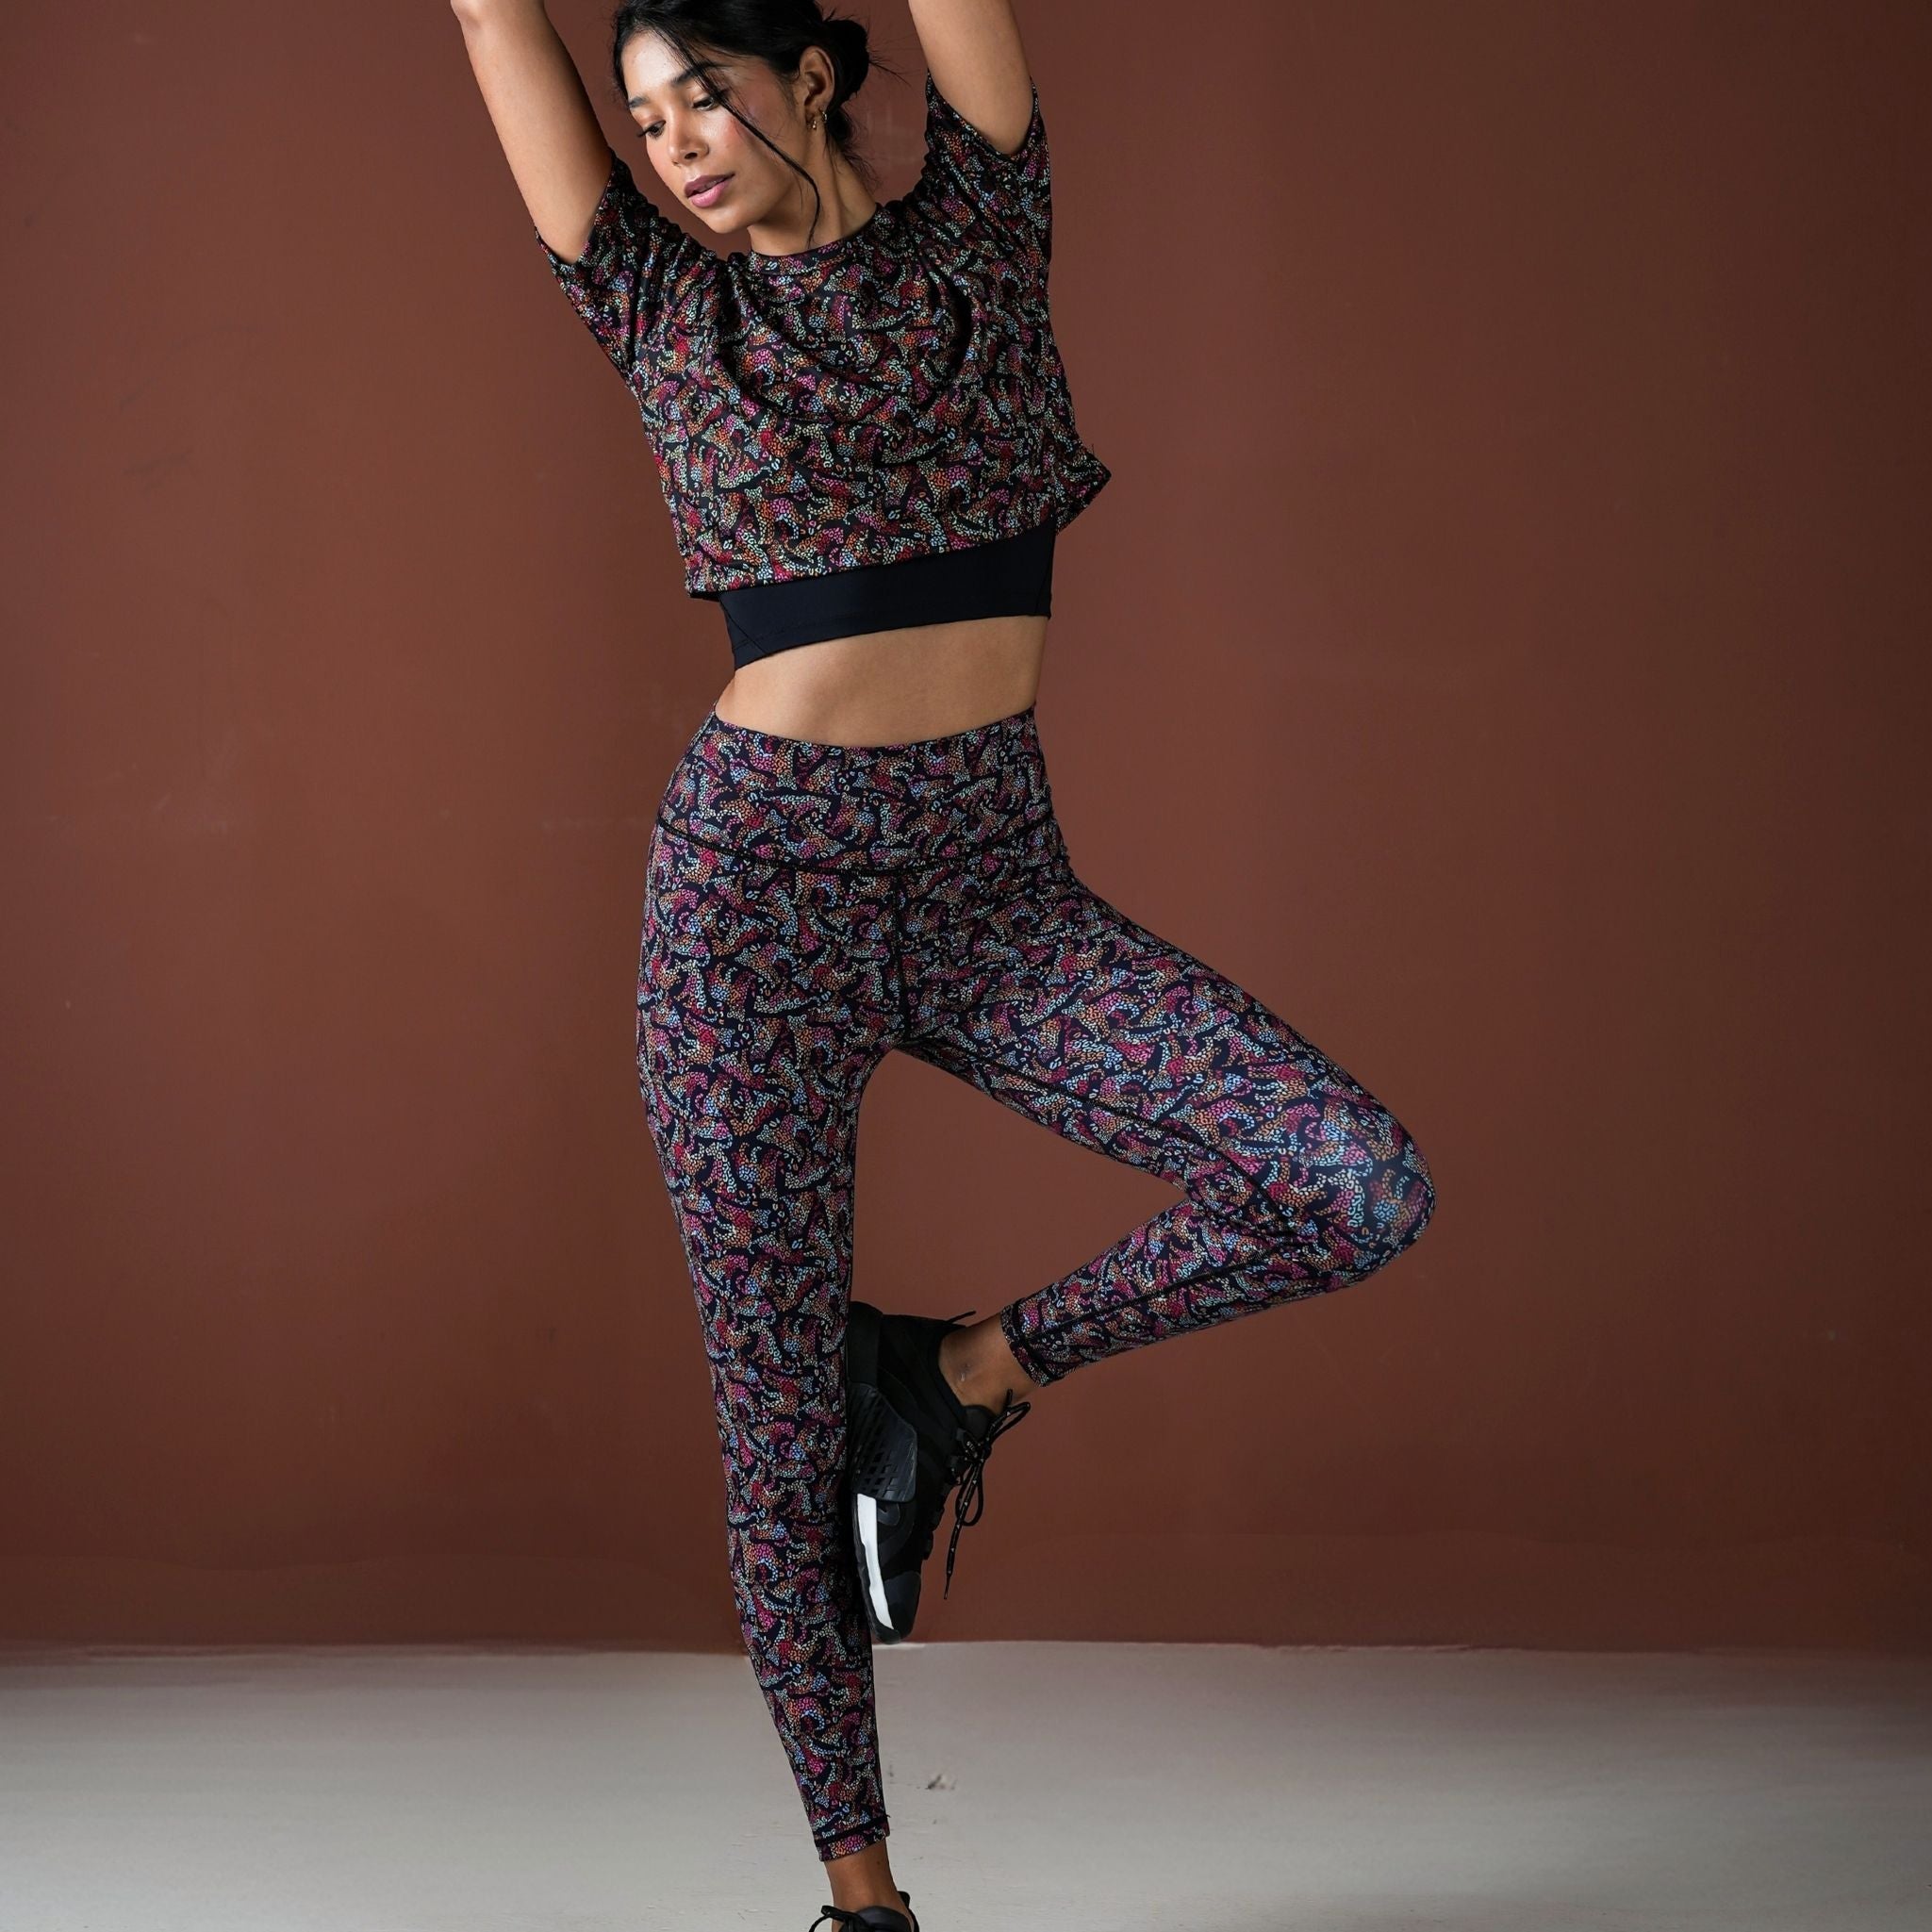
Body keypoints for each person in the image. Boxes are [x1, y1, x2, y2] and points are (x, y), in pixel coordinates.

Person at [453, 2, 1438, 1924]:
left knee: (1350, 1179)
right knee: (769, 1431)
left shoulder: (981, 232)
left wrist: (988, 1359)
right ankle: (862, 1897)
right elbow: (499, 19)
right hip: (751, 904)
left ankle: (963, 1376)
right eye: (645, 119)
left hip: (994, 882)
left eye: (704, 95)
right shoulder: (657, 305)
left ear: (806, 74)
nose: (675, 144)